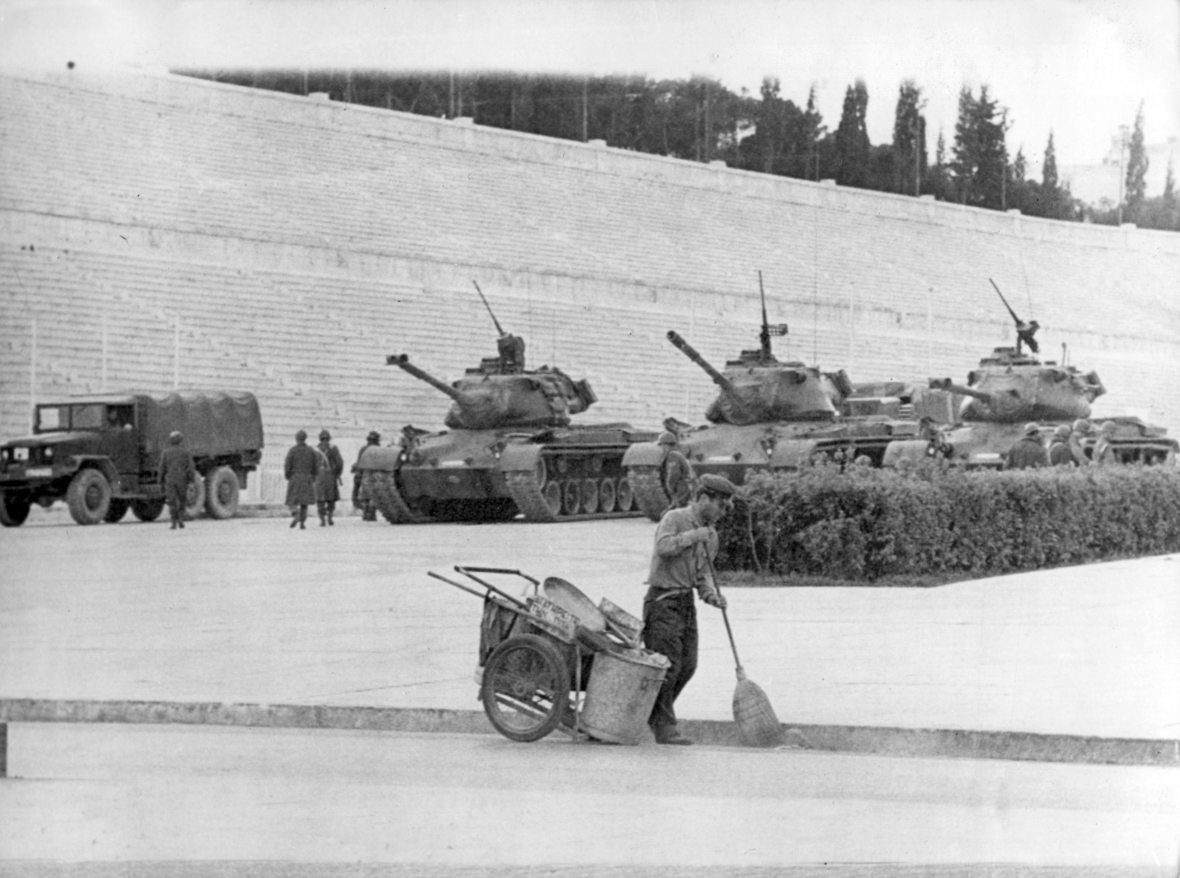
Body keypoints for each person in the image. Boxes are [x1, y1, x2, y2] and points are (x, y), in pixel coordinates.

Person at [642, 473, 738, 746]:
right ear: (703, 498)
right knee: (668, 666)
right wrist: (693, 536)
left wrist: (711, 595)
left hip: (685, 604)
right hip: (662, 602)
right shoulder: (675, 519)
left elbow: (702, 574)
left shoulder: (711, 536)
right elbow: (663, 548)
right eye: (720, 505)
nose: (722, 512)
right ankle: (663, 726)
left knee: (688, 665)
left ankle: (654, 714)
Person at [158, 430, 196, 530]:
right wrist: (191, 481)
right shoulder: (186, 452)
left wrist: (160, 481)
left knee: (172, 501)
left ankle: (173, 522)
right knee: (182, 500)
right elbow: (190, 468)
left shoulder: (166, 452)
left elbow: (162, 468)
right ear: (180, 440)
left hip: (170, 480)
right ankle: (181, 519)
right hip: (182, 480)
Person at [284, 429, 320, 529]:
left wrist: (288, 475)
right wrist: (313, 477)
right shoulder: (311, 451)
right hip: (307, 478)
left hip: (295, 478)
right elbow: (316, 466)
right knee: (305, 503)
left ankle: (295, 512)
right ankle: (302, 523)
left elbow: (287, 465)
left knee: (292, 501)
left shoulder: (292, 450)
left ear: (296, 439)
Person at [314, 429, 344, 526]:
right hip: (331, 475)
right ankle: (330, 517)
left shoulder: (315, 449)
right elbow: (340, 463)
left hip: (319, 475)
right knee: (331, 498)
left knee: (320, 499)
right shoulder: (333, 448)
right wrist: (338, 473)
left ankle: (322, 519)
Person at [658, 430, 694, 508]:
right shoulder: (677, 454)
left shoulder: (672, 456)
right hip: (684, 488)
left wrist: (670, 489)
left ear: (667, 445)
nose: (661, 448)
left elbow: (673, 475)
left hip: (680, 489)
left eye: (662, 445)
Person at [352, 430, 382, 521]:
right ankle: (371, 513)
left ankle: (366, 512)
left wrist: (358, 472)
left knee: (364, 494)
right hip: (376, 475)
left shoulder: (363, 449)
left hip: (364, 474)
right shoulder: (380, 449)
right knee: (374, 493)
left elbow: (359, 462)